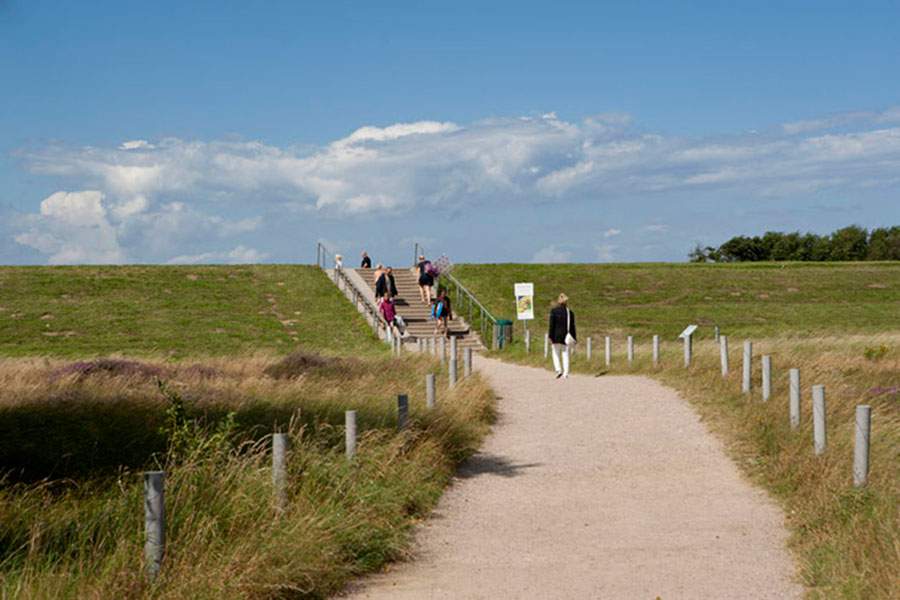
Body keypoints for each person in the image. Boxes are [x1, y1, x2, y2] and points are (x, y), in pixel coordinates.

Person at [548, 293, 576, 379]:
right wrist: (574, 338)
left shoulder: (554, 311)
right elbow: (572, 326)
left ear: (559, 302)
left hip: (556, 336)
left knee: (555, 353)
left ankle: (558, 370)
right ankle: (566, 373)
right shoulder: (570, 313)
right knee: (565, 354)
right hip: (566, 337)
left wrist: (550, 336)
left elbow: (552, 325)